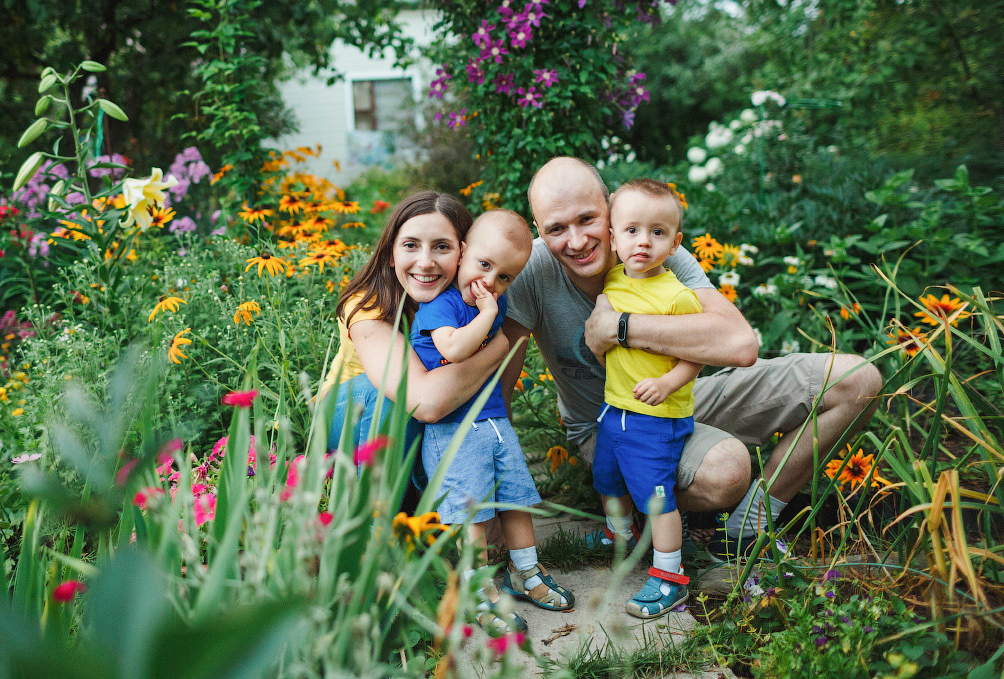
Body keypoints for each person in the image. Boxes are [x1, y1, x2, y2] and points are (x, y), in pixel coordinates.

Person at [501, 157, 882, 562]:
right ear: (538, 229)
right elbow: (499, 393)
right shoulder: (532, 271)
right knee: (726, 472)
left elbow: (740, 345)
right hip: (608, 424)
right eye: (556, 229)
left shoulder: (652, 248)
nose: (577, 241)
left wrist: (621, 327)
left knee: (857, 380)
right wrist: (497, 507)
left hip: (677, 397)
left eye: (587, 219)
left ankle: (751, 522)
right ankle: (643, 513)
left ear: (609, 207)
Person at [411, 209, 574, 634]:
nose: (489, 282)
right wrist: (488, 313)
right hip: (454, 430)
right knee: (474, 516)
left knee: (516, 501)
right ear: (463, 253)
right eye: (483, 265)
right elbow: (455, 349)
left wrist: (490, 312)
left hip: (495, 423)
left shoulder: (491, 304)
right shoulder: (440, 305)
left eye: (504, 277)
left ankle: (527, 572)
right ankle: (478, 590)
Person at [320, 190, 509, 460]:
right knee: (390, 396)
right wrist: (500, 347)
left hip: (419, 420)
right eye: (410, 245)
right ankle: (373, 487)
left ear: (463, 253)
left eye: (442, 247)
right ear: (391, 254)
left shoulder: (474, 299)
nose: (425, 262)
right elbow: (426, 404)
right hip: (347, 415)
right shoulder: (368, 306)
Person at [592, 179, 701, 617]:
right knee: (607, 480)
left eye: (657, 232)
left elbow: (696, 354)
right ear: (613, 239)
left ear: (675, 243)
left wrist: (670, 382)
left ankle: (670, 576)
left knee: (657, 499)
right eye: (632, 230)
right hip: (614, 409)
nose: (643, 242)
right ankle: (620, 536)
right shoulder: (614, 277)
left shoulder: (677, 297)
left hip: (656, 417)